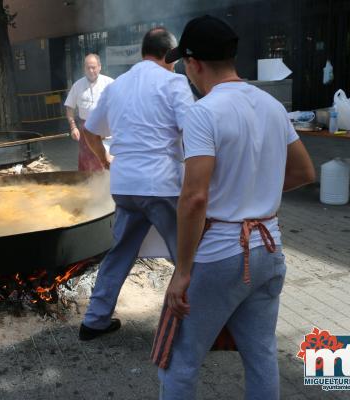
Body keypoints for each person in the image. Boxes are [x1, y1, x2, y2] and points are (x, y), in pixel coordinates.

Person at [152, 16, 316, 399]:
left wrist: (182, 272)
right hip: (269, 248)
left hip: (222, 256)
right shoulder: (272, 106)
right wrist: (253, 196)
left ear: (194, 64)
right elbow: (305, 171)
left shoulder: (204, 112)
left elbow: (194, 197)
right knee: (260, 356)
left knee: (180, 360)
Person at [78, 28, 194, 340]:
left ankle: (94, 321)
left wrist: (103, 157)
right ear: (169, 56)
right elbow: (193, 130)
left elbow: (90, 130)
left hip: (125, 184)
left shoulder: (118, 86)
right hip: (161, 184)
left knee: (120, 252)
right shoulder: (174, 82)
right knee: (186, 254)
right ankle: (201, 325)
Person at [64, 54, 114, 171]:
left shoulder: (110, 83)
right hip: (85, 131)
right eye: (88, 68)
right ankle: (86, 186)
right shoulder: (77, 85)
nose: (91, 71)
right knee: (86, 165)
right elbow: (69, 107)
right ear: (84, 68)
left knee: (106, 163)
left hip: (105, 130)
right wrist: (73, 127)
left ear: (100, 67)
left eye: (93, 67)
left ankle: (106, 187)